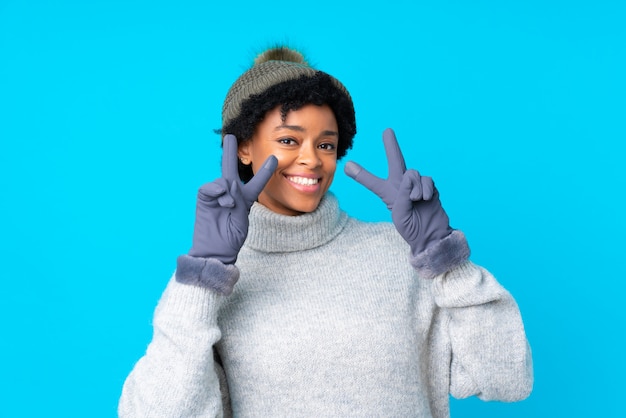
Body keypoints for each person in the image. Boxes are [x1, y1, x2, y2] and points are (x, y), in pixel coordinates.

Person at [119, 46, 533, 417]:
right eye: (288, 139)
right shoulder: (215, 285)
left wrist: (445, 260)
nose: (312, 161)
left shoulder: (399, 254)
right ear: (243, 147)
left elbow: (507, 378)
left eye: (326, 144)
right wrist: (204, 274)